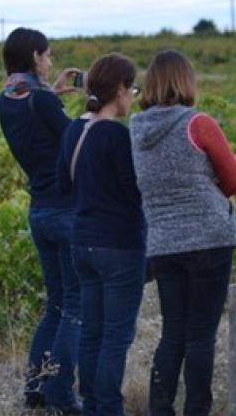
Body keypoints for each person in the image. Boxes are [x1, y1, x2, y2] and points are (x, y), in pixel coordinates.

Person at [130, 51, 236, 416]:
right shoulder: (198, 124)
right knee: (201, 335)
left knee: (172, 332)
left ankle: (160, 409)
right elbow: (234, 181)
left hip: (162, 242)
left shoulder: (136, 128)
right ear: (186, 81)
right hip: (209, 238)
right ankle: (197, 410)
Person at [0, 27, 84, 413]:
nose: (51, 62)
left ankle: (35, 389)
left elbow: (34, 107)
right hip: (67, 208)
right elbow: (75, 141)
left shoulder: (6, 99)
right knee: (75, 306)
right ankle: (62, 395)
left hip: (39, 210)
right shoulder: (42, 102)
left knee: (55, 305)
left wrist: (54, 91)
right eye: (48, 56)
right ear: (35, 56)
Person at [56, 53, 146, 416]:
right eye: (132, 89)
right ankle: (109, 408)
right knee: (116, 337)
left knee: (92, 332)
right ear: (121, 90)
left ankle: (93, 405)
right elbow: (134, 193)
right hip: (120, 245)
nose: (133, 96)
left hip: (83, 241)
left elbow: (63, 184)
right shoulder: (116, 137)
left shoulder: (74, 129)